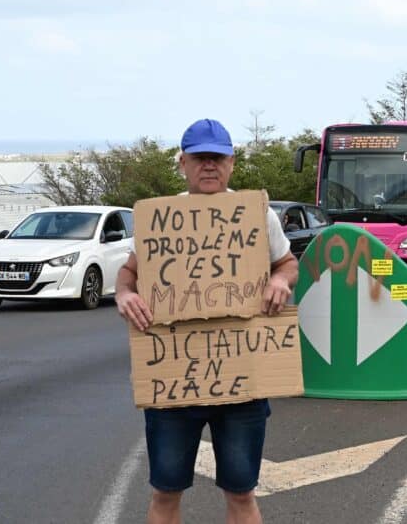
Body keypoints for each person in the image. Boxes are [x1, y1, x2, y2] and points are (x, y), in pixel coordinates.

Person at [115, 118, 298, 524]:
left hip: (242, 380)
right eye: (201, 158)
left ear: (232, 162)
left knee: (242, 494)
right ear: (183, 163)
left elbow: (287, 263)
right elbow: (129, 273)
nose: (210, 166)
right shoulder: (160, 218)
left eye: (218, 157)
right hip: (174, 381)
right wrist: (125, 294)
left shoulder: (256, 214)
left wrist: (280, 281)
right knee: (165, 493)